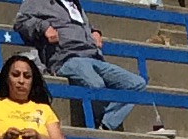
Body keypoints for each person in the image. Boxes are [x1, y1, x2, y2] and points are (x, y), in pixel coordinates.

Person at [11, 0, 148, 130]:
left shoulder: (75, 4)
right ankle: (105, 125)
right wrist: (44, 27)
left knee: (136, 84)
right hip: (67, 58)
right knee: (96, 85)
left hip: (94, 57)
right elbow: (20, 21)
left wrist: (94, 32)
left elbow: (77, 26)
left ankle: (106, 125)